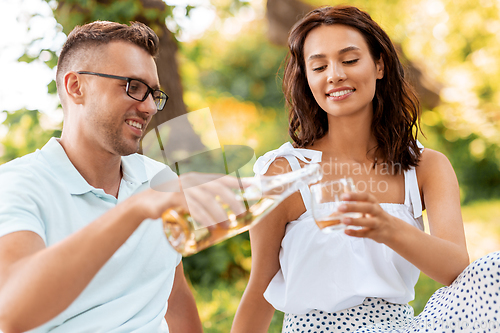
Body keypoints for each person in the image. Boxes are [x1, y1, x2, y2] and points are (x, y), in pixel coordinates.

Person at [232, 5, 500, 333]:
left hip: (403, 327)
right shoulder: (283, 172)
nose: (334, 75)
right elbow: (259, 287)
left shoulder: (426, 167)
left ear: (379, 65)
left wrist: (386, 227)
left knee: (495, 271)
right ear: (308, 78)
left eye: (349, 60)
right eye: (318, 66)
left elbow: (457, 271)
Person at [0, 21, 241, 333]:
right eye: (134, 87)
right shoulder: (17, 185)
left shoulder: (158, 178)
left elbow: (174, 296)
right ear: (76, 87)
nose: (150, 107)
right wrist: (138, 209)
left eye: (154, 93)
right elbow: (12, 312)